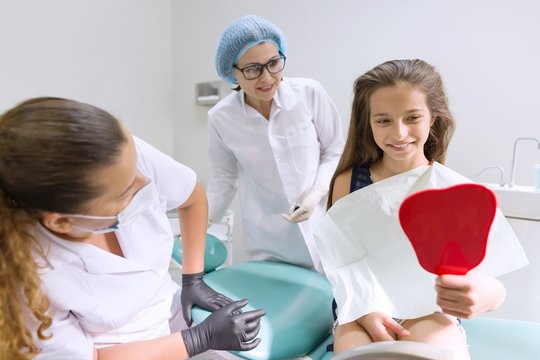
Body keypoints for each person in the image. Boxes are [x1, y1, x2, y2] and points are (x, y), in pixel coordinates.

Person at [0, 97, 266, 359]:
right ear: (61, 221)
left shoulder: (119, 156)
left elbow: (192, 197)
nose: (144, 181)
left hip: (173, 311)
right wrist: (199, 339)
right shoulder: (26, 276)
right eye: (125, 192)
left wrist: (192, 279)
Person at [314, 59, 528, 359]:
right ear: (368, 123)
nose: (399, 133)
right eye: (383, 120)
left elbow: (484, 276)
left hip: (429, 310)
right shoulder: (349, 182)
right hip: (360, 310)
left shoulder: (449, 191)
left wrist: (488, 294)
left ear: (433, 119)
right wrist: (364, 312)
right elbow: (340, 264)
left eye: (412, 117)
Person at [207, 15, 344, 271]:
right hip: (267, 239)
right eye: (252, 69)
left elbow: (335, 149)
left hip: (322, 224)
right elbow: (223, 178)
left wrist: (318, 191)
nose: (267, 77)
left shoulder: (309, 93)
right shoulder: (221, 117)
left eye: (273, 63)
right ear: (232, 72)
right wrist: (202, 222)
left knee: (333, 303)